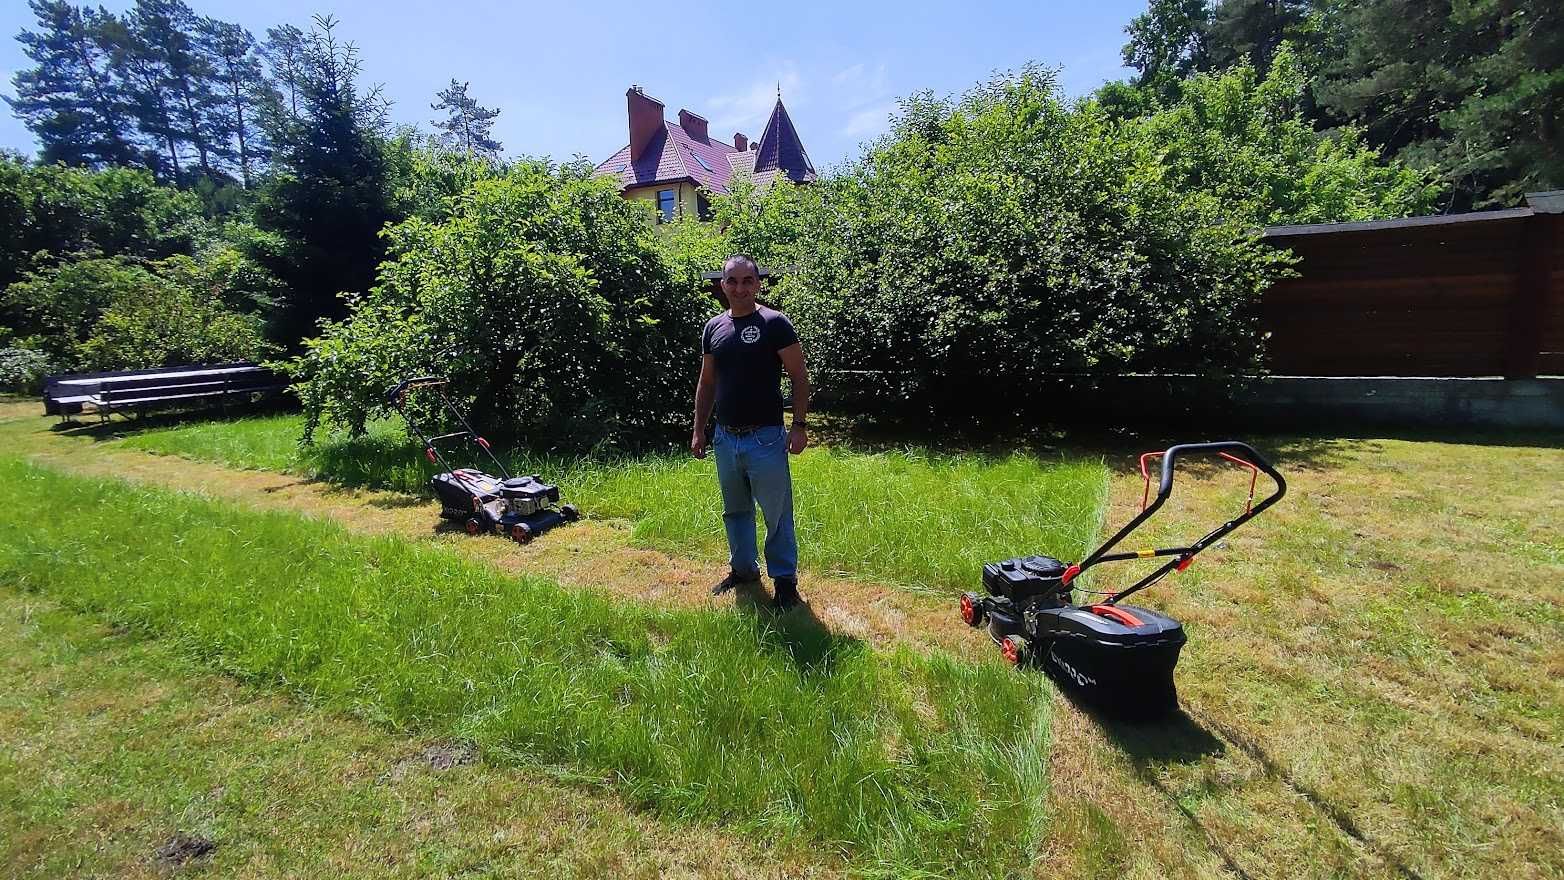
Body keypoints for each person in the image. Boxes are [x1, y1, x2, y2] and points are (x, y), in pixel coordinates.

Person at [690, 255, 810, 609]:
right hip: (726, 438)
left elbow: (799, 377)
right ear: (723, 285)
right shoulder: (714, 327)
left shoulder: (775, 323)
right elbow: (707, 382)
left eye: (747, 281)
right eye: (732, 281)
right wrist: (699, 429)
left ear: (757, 284)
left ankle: (785, 581)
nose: (740, 288)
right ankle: (743, 570)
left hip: (767, 437)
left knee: (776, 513)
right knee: (735, 511)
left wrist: (799, 426)